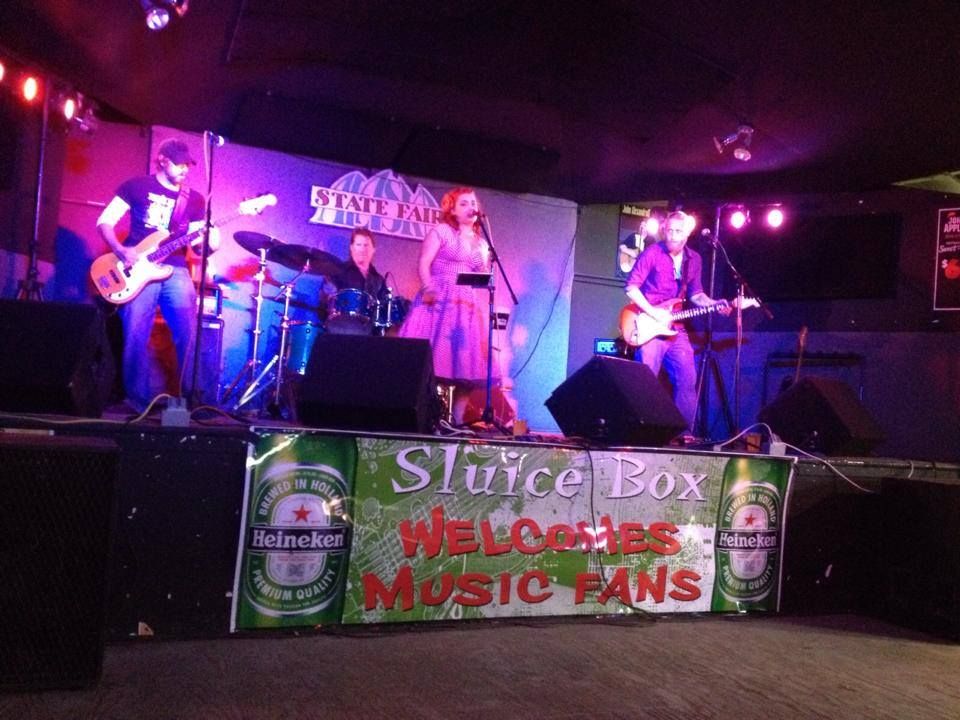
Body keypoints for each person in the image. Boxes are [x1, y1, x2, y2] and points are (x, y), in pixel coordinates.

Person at [96, 138, 219, 411]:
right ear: (162, 160)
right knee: (136, 334)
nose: (184, 169)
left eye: (188, 164)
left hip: (175, 268)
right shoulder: (136, 186)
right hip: (136, 266)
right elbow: (104, 221)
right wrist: (120, 250)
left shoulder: (194, 199)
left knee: (189, 334)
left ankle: (196, 401)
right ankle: (137, 401)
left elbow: (197, 246)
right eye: (179, 163)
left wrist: (209, 243)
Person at [624, 210, 729, 439]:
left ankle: (684, 435)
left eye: (677, 231)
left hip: (675, 328)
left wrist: (714, 304)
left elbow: (696, 294)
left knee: (687, 380)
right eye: (669, 230)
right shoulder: (653, 253)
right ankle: (639, 434)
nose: (672, 235)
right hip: (650, 325)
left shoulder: (695, 259)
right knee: (645, 380)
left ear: (687, 233)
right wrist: (654, 312)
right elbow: (631, 287)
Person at [399, 186, 492, 422]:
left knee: (466, 365)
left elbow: (482, 275)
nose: (471, 207)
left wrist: (485, 267)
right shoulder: (441, 231)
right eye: (464, 203)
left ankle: (457, 420)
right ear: (452, 209)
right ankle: (427, 416)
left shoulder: (481, 243)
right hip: (439, 299)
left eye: (473, 203)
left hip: (466, 305)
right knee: (431, 361)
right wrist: (428, 287)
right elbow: (424, 262)